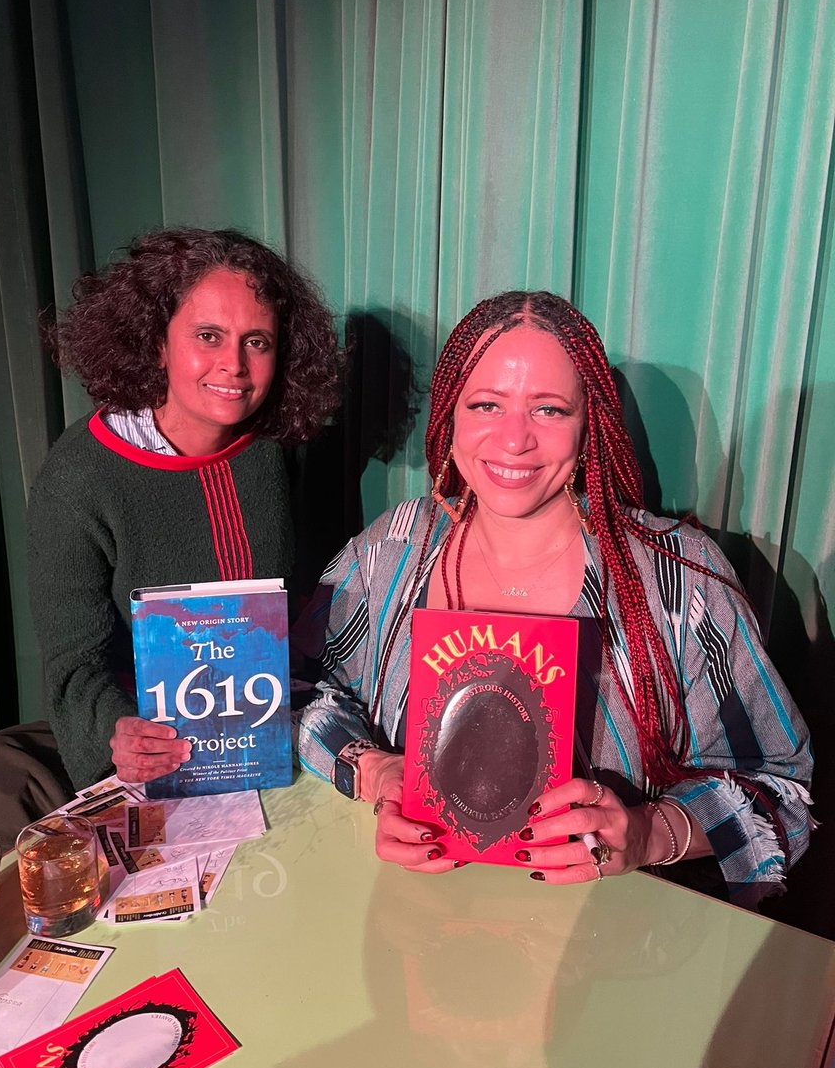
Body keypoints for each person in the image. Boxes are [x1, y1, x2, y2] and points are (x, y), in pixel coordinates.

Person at [295, 290, 813, 908]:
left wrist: (649, 833)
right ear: (449, 418)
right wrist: (376, 772)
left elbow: (784, 791)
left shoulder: (676, 576)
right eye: (486, 403)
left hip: (606, 940)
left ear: (588, 423)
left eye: (549, 409)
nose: (514, 440)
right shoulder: (393, 549)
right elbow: (295, 689)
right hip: (416, 918)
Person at [0, 228, 340, 847]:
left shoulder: (273, 452)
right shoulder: (79, 477)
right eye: (208, 336)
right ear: (156, 342)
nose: (233, 366)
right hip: (150, 746)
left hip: (261, 742)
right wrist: (120, 729)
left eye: (257, 342)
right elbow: (75, 665)